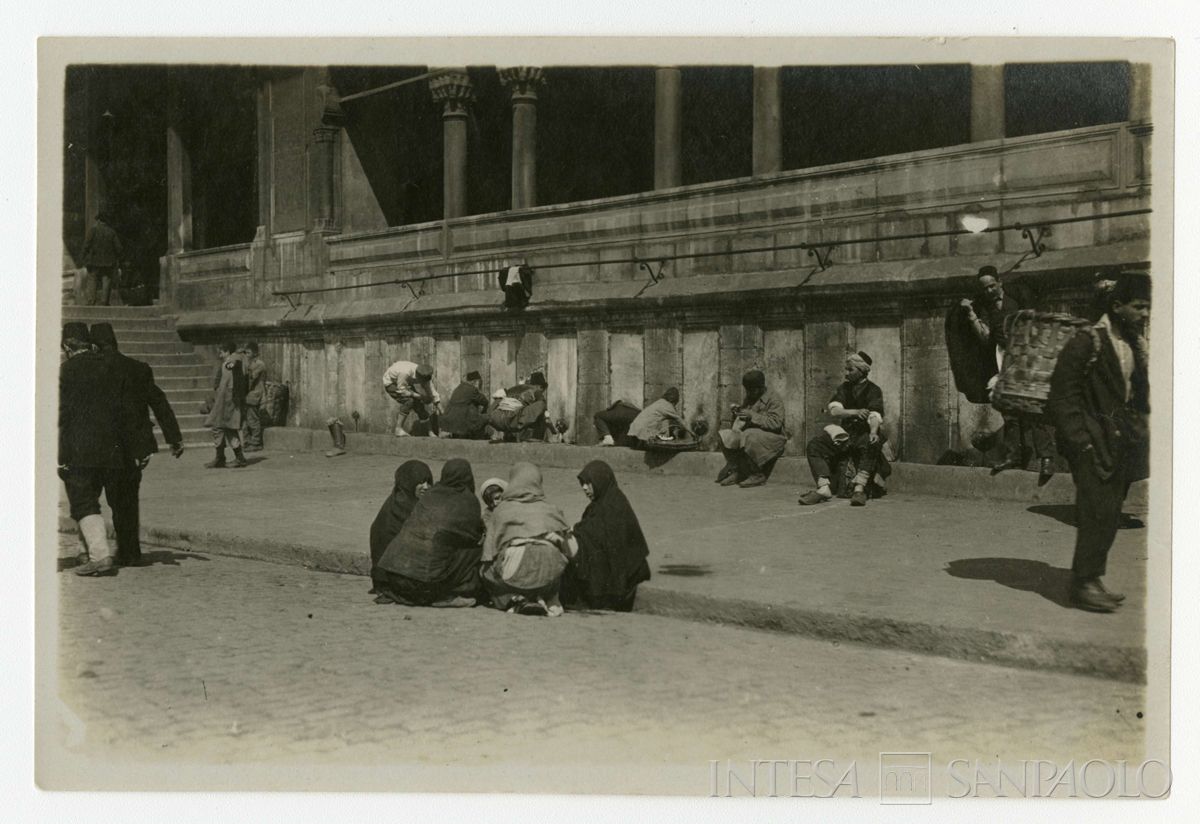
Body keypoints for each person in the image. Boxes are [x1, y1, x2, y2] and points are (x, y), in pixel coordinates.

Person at [1047, 270, 1150, 613]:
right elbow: (1063, 396)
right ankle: (1082, 585)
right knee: (1095, 512)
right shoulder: (1087, 340)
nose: (1145, 313)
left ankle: (1091, 579)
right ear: (1118, 305)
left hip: (1119, 442)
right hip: (1092, 441)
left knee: (1109, 514)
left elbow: (1134, 392)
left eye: (1148, 307)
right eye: (1139, 306)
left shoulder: (1131, 342)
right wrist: (1081, 441)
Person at [89, 323, 185, 567]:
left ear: (94, 346)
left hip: (105, 445)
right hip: (134, 447)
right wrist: (174, 438)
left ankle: (111, 551)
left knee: (107, 498)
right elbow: (159, 402)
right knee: (128, 498)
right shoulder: (139, 368)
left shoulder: (92, 370)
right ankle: (130, 551)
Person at [960, 266, 1056, 480]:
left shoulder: (1018, 296)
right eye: (985, 288)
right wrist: (971, 314)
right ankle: (1013, 455)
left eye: (992, 286)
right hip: (1003, 358)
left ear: (1000, 282)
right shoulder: (986, 308)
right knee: (1009, 410)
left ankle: (1047, 458)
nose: (989, 291)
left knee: (1033, 408)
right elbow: (985, 337)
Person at [373, 459, 484, 608]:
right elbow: (473, 537)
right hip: (425, 586)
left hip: (395, 581)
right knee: (476, 551)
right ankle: (448, 594)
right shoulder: (468, 501)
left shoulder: (430, 496)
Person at [59, 322, 123, 576]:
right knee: (91, 500)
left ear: (67, 346)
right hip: (111, 446)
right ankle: (84, 551)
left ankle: (99, 556)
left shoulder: (67, 370)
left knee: (84, 501)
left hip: (80, 447)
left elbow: (62, 414)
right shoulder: (109, 365)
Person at [480, 462, 574, 616]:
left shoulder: (501, 510)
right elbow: (571, 549)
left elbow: (487, 555)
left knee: (486, 571)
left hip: (515, 573)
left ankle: (514, 598)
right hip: (548, 574)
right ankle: (546, 597)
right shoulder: (552, 509)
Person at [798, 351, 888, 507]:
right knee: (815, 445)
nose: (847, 373)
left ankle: (859, 489)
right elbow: (834, 410)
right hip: (845, 434)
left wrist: (873, 432)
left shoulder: (874, 390)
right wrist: (855, 412)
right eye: (846, 369)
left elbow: (875, 415)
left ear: (862, 371)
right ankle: (823, 487)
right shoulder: (844, 388)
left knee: (872, 442)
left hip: (864, 433)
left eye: (851, 370)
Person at [561, 461, 651, 612]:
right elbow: (592, 528)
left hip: (627, 575)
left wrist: (575, 532)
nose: (584, 488)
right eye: (583, 484)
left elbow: (597, 535)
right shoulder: (601, 503)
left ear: (600, 481)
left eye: (589, 483)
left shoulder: (613, 506)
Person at [715, 370, 789, 488]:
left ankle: (757, 474)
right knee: (724, 436)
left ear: (761, 387)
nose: (749, 393)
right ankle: (737, 471)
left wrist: (752, 416)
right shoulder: (750, 397)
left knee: (748, 435)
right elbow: (744, 418)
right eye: (747, 390)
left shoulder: (774, 399)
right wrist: (737, 413)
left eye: (752, 390)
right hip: (753, 437)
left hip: (775, 438)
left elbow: (776, 424)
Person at [368, 460, 434, 591]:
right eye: (420, 482)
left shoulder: (416, 504)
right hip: (396, 579)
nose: (426, 487)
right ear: (408, 483)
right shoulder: (400, 509)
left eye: (428, 482)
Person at [203, 342, 248, 468]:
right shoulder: (240, 361)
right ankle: (231, 458)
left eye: (221, 351)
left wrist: (218, 402)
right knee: (227, 428)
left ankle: (225, 458)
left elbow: (226, 384)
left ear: (227, 351)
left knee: (220, 426)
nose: (220, 354)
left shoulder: (229, 363)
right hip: (234, 399)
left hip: (228, 400)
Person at [382, 360, 441, 437]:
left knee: (419, 405)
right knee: (409, 401)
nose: (423, 384)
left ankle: (430, 432)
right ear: (418, 377)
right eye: (422, 382)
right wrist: (421, 396)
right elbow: (402, 390)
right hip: (391, 382)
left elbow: (432, 391)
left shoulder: (424, 374)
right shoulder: (405, 373)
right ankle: (398, 429)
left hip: (404, 383)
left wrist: (439, 405)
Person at [487, 371, 549, 443]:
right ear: (540, 387)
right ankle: (534, 437)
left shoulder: (516, 389)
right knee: (541, 406)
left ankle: (510, 436)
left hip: (496, 418)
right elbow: (545, 415)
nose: (543, 392)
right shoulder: (536, 391)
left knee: (519, 410)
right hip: (511, 420)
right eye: (543, 389)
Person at [80, 210, 122, 306]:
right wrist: (117, 258)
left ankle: (91, 301)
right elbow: (119, 248)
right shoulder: (112, 232)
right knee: (106, 280)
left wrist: (83, 257)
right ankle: (104, 302)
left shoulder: (93, 230)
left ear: (99, 220)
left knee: (92, 280)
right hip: (108, 262)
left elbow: (86, 245)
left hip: (93, 261)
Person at [441, 370, 490, 439]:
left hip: (450, 422)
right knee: (486, 416)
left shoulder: (458, 388)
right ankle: (477, 436)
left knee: (470, 405)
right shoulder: (472, 389)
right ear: (474, 381)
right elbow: (485, 401)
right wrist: (479, 389)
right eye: (478, 382)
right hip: (462, 421)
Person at [240, 341, 268, 452]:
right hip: (248, 395)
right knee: (245, 420)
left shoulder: (259, 364)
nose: (246, 354)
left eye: (249, 352)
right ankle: (247, 442)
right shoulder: (248, 363)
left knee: (252, 419)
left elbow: (250, 378)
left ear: (255, 353)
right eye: (245, 352)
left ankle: (256, 442)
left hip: (254, 394)